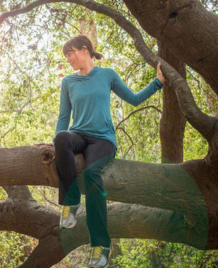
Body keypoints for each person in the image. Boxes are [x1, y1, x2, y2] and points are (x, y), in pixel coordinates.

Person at [40, 34, 165, 268]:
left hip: (103, 140)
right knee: (61, 138)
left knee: (91, 175)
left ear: (85, 50)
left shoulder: (107, 75)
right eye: (66, 56)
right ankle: (71, 203)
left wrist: (157, 82)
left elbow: (134, 99)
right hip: (77, 136)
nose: (68, 59)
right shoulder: (68, 82)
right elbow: (64, 117)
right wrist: (54, 143)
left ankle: (100, 247)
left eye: (71, 54)